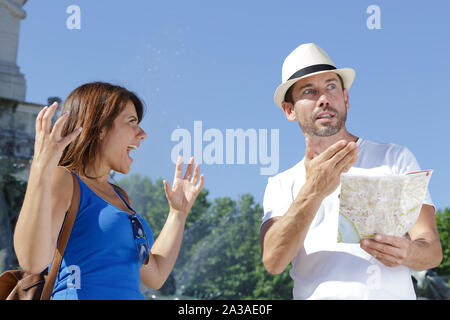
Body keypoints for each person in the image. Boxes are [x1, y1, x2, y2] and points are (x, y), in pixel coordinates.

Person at [260, 43, 443, 299]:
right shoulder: (281, 184)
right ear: (289, 110)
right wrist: (313, 191)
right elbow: (273, 261)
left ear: (346, 98)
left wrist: (409, 252)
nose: (323, 98)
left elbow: (432, 250)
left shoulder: (395, 158)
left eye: (331, 86)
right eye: (309, 91)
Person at [13, 82, 204, 299]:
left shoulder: (122, 198)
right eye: (132, 122)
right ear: (100, 127)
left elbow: (156, 275)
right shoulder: (65, 179)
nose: (142, 134)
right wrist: (40, 170)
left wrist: (178, 213)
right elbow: (32, 261)